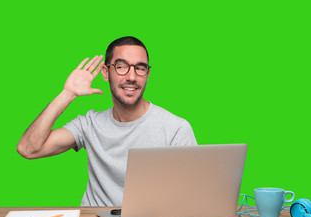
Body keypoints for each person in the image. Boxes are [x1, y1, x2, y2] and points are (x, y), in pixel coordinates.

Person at [17, 36, 197, 206]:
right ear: (105, 72)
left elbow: (191, 198)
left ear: (147, 74)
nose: (131, 77)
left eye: (140, 68)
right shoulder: (88, 124)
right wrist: (67, 94)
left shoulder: (176, 129)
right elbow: (28, 149)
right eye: (121, 66)